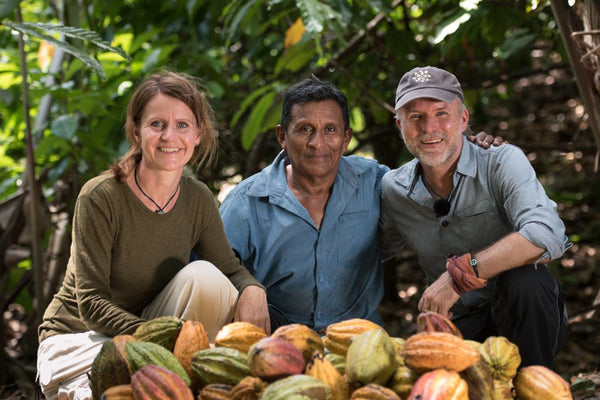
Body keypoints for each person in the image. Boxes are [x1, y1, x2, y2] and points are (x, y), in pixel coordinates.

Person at [36, 71, 269, 400]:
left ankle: (181, 374)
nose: (169, 136)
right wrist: (162, 346)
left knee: (208, 277)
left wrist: (254, 290)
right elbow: (89, 303)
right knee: (119, 393)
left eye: (182, 125)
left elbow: (230, 270)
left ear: (199, 134)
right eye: (157, 124)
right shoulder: (100, 197)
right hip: (81, 337)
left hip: (147, 334)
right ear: (136, 130)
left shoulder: (197, 198)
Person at [219, 77, 499, 333]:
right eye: (305, 129)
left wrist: (474, 154)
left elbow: (441, 189)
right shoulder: (246, 204)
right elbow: (212, 276)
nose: (318, 143)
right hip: (276, 343)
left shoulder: (376, 183)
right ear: (282, 136)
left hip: (359, 346)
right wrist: (249, 287)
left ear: (346, 139)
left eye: (330, 130)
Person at [379, 66, 570, 368]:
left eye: (442, 113)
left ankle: (536, 382)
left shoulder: (500, 161)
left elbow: (547, 232)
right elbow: (370, 250)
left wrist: (460, 276)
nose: (430, 127)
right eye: (416, 117)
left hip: (517, 316)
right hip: (456, 324)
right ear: (399, 125)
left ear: (463, 119)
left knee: (527, 281)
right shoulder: (393, 189)